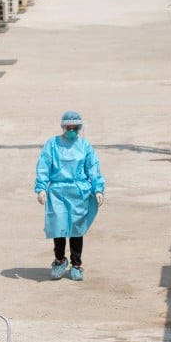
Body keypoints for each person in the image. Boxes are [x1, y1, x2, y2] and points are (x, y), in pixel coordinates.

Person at [34, 111, 105, 281]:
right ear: (63, 127)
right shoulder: (52, 145)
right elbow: (44, 165)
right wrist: (41, 188)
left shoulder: (84, 146)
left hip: (78, 192)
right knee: (58, 227)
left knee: (76, 230)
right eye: (69, 127)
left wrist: (98, 189)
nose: (71, 130)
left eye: (75, 128)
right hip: (57, 192)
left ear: (79, 128)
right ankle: (59, 260)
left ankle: (76, 264)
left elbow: (93, 168)